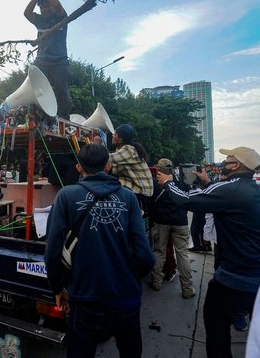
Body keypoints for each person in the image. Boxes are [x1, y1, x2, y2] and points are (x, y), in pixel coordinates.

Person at [44, 143, 155, 357]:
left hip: (84, 299)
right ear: (109, 165)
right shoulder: (129, 197)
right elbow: (145, 256)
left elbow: (52, 252)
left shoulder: (66, 196)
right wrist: (128, 280)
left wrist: (58, 289)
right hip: (126, 299)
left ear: (79, 168)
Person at [157, 146, 260, 358]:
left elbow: (187, 200)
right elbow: (223, 197)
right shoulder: (249, 188)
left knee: (215, 323)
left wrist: (168, 183)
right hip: (252, 272)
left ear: (236, 165)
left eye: (228, 158)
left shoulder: (229, 188)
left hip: (235, 274)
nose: (224, 162)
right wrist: (207, 182)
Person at [24, 0, 73, 119]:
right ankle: (36, 117)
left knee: (62, 91)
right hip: (42, 61)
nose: (44, 9)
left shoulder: (60, 17)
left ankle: (63, 117)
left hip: (59, 62)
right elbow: (27, 12)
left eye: (46, 6)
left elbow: (57, 6)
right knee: (34, 86)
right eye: (42, 8)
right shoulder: (39, 20)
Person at [149, 158, 195, 298]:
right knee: (182, 254)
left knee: (159, 252)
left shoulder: (154, 183)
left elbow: (149, 201)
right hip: (180, 222)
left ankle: (156, 282)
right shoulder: (181, 181)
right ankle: (187, 289)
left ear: (158, 168)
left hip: (161, 221)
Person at [109, 123, 153, 198]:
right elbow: (114, 170)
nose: (113, 135)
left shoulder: (129, 150)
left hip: (141, 190)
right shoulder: (121, 150)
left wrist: (92, 151)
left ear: (120, 139)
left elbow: (105, 158)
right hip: (136, 186)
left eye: (115, 134)